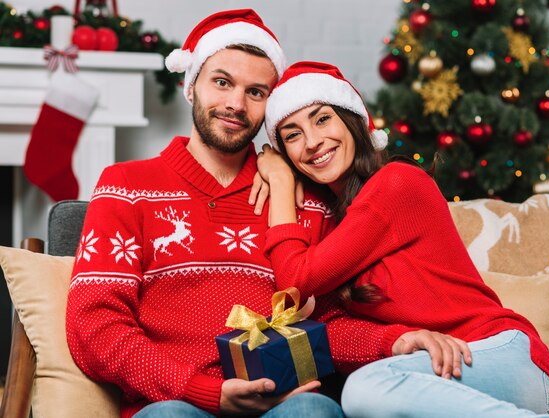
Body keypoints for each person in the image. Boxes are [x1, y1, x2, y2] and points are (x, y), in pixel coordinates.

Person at [65, 11, 414, 418]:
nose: (235, 103)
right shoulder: (125, 186)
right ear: (191, 86)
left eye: (256, 92)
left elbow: (330, 323)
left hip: (285, 402)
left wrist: (395, 342)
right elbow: (95, 326)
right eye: (222, 82)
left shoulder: (302, 199)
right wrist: (202, 391)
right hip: (176, 402)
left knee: (312, 412)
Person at [255, 61, 549, 417]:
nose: (312, 142)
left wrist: (279, 183)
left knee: (366, 389)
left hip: (501, 357)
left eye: (322, 119)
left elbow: (294, 282)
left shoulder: (396, 183)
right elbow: (325, 329)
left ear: (352, 120)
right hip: (444, 376)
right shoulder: (334, 228)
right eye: (292, 135)